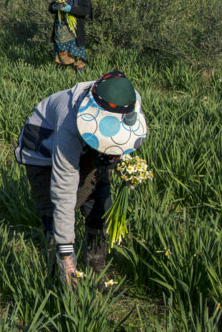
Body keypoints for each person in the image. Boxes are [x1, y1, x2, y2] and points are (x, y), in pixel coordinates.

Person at [14, 70, 147, 286]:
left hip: (86, 147)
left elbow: (122, 133)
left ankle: (97, 269)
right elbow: (63, 190)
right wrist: (66, 254)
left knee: (100, 202)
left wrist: (125, 164)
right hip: (42, 151)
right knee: (53, 209)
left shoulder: (130, 100)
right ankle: (59, 272)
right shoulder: (68, 121)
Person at [49, 0, 92, 73]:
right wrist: (55, 7)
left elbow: (85, 11)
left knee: (77, 55)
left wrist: (69, 9)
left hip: (75, 31)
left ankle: (79, 75)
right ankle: (61, 75)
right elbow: (50, 8)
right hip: (61, 30)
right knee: (61, 54)